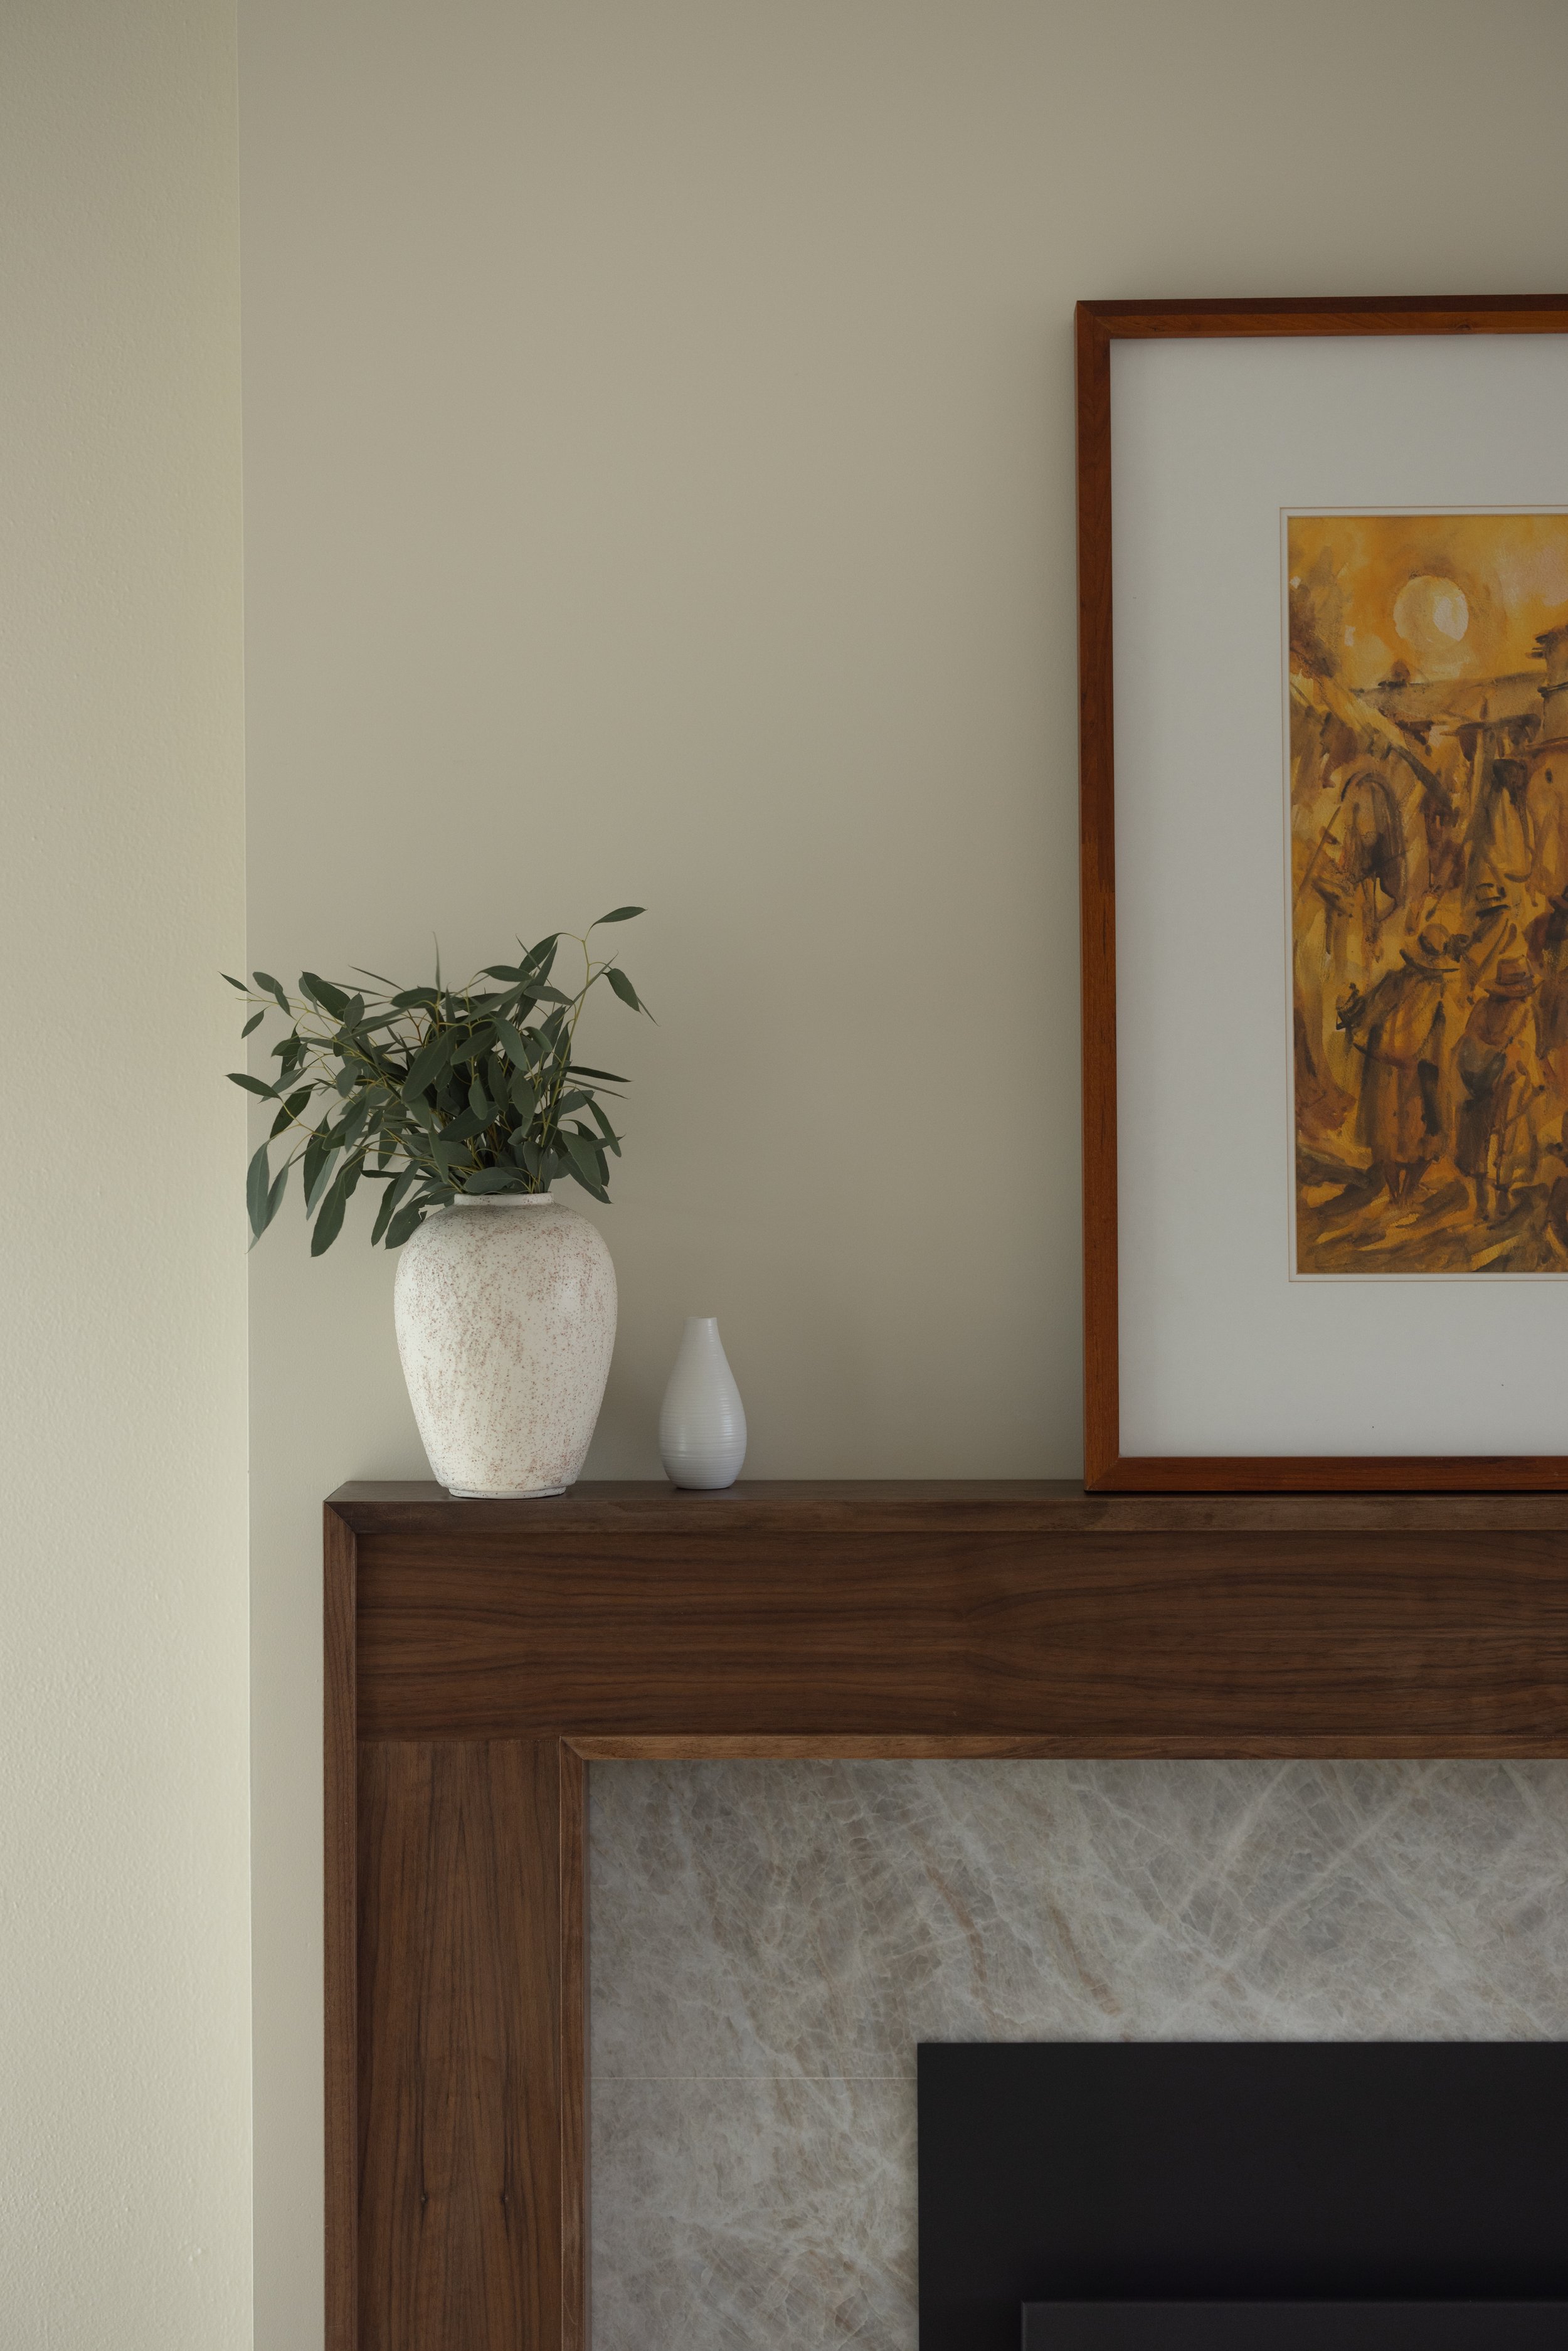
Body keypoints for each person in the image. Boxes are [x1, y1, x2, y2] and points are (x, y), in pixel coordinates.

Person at [1337, 925, 1463, 1204]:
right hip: (1417, 1073)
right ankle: (1405, 1193)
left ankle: (1398, 1194)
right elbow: (1444, 1037)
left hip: (1390, 1071)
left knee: (1391, 1134)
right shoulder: (1437, 990)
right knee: (1419, 1134)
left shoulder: (1394, 981)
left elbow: (1364, 1017)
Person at [1455, 958, 1545, 1224]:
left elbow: (1470, 1041)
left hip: (1485, 1082)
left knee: (1486, 1140)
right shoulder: (1520, 1011)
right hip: (1501, 1083)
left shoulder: (1486, 1007)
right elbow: (1522, 1051)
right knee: (1501, 1140)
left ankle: (1487, 1199)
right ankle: (1496, 1198)